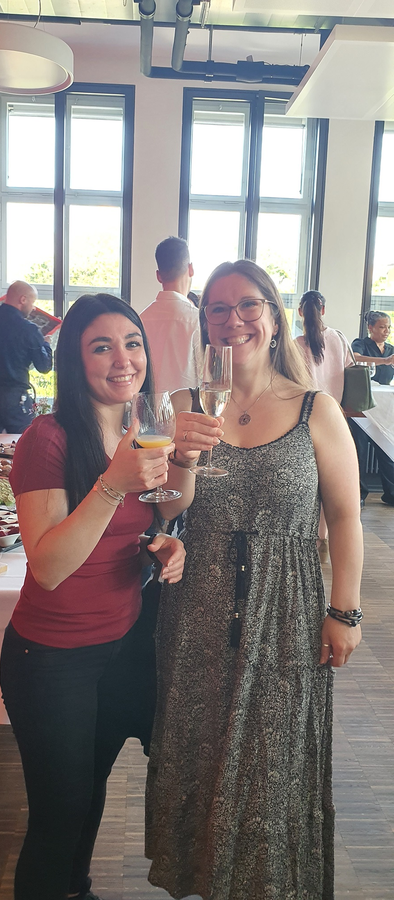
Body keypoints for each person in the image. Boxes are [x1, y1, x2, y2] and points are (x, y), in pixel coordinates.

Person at [145, 260, 363, 900]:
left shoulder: (316, 410)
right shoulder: (182, 405)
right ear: (204, 321)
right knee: (200, 753)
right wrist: (182, 460)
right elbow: (167, 511)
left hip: (288, 611)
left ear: (273, 316)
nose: (233, 319)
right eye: (217, 307)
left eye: (248, 305)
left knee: (275, 760)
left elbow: (345, 517)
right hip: (198, 611)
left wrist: (344, 612)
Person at [0, 293, 186, 900]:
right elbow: (49, 566)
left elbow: (156, 515)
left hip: (122, 642)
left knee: (89, 792)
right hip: (52, 657)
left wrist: (161, 544)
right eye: (101, 347)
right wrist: (112, 484)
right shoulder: (47, 438)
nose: (123, 359)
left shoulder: (141, 430)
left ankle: (74, 890)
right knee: (58, 812)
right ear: (75, 361)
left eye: (132, 343)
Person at [295, 289, 352, 561]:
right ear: (324, 310)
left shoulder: (297, 344)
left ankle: (312, 538)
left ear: (300, 312)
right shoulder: (339, 338)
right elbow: (349, 370)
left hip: (306, 417)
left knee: (310, 481)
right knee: (332, 483)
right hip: (337, 416)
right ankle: (324, 538)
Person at [0, 280, 52, 443]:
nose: (33, 308)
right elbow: (44, 366)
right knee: (24, 444)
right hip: (15, 398)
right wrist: (46, 344)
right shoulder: (29, 329)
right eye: (32, 302)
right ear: (23, 299)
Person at [140, 236, 202, 393]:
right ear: (191, 269)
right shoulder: (197, 319)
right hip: (188, 407)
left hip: (147, 407)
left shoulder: (140, 320)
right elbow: (206, 379)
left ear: (158, 276)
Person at [349, 310, 394, 506]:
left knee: (386, 448)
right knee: (359, 450)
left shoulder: (391, 348)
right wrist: (384, 361)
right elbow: (356, 358)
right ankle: (358, 494)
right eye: (382, 327)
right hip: (362, 404)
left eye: (388, 327)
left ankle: (391, 493)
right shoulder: (360, 343)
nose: (386, 331)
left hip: (384, 406)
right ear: (370, 328)